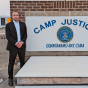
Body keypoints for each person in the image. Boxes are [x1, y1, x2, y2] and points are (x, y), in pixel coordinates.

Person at [5, 11, 27, 86]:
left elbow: (25, 35)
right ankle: (10, 78)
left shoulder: (23, 24)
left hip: (21, 46)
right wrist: (16, 43)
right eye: (14, 15)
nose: (16, 16)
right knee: (11, 62)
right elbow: (8, 36)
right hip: (13, 46)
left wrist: (21, 42)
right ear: (12, 16)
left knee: (22, 62)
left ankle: (22, 76)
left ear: (18, 16)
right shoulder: (8, 25)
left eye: (17, 15)